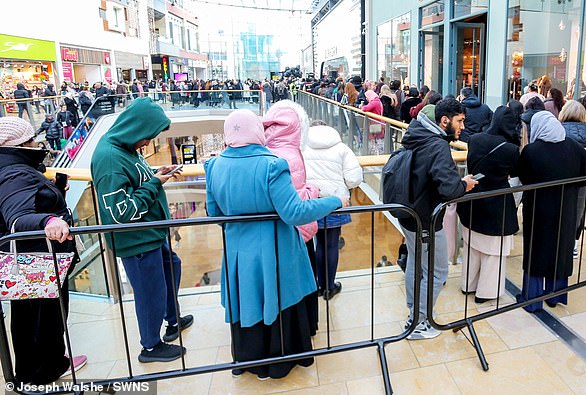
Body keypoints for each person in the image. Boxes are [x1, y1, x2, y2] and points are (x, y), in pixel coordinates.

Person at [204, 109, 347, 380]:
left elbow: (215, 215)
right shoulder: (272, 165)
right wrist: (335, 201)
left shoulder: (215, 166)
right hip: (275, 249)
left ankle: (251, 360)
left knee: (249, 300)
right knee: (279, 298)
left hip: (237, 252)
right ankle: (281, 362)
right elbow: (294, 212)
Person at [90, 98, 193, 363]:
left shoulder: (126, 149)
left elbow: (136, 180)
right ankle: (150, 346)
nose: (148, 143)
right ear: (136, 129)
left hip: (151, 234)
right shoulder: (110, 158)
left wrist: (158, 173)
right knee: (150, 293)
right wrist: (154, 183)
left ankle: (172, 320)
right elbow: (120, 212)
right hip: (136, 240)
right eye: (147, 137)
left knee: (170, 270)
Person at [0, 117, 87, 384]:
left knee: (34, 317)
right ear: (21, 145)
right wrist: (49, 220)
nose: (38, 143)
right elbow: (17, 217)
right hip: (36, 260)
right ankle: (40, 374)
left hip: (32, 260)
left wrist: (55, 190)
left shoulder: (12, 168)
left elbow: (28, 199)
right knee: (42, 319)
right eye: (32, 140)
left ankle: (44, 366)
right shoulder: (15, 172)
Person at [400, 99, 478, 339]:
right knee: (437, 272)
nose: (463, 126)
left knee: (416, 265)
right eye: (460, 121)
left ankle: (415, 315)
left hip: (411, 215)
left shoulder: (416, 136)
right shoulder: (437, 146)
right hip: (427, 220)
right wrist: (463, 184)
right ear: (444, 121)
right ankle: (419, 323)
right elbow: (448, 188)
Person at [517, 111, 586, 312]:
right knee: (560, 249)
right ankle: (555, 296)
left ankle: (532, 299)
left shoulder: (531, 151)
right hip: (566, 208)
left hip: (539, 209)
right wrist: (576, 184)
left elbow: (524, 178)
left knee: (536, 250)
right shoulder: (572, 146)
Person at [263, 100, 321, 333]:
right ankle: (303, 329)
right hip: (297, 232)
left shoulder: (265, 151)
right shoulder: (290, 155)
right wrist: (314, 192)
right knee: (301, 283)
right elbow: (295, 201)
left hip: (271, 234)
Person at [457, 107, 521, 303]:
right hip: (497, 202)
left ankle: (468, 285)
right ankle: (486, 293)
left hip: (473, 197)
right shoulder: (510, 149)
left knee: (472, 248)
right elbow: (516, 172)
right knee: (493, 253)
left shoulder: (475, 139)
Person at [303, 123, 363, 300]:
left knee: (314, 244)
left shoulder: (302, 147)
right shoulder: (342, 148)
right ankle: (329, 287)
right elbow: (354, 179)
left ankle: (314, 286)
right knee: (330, 245)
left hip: (310, 202)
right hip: (335, 202)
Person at [559, 100, 586, 256]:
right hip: (581, 180)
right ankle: (573, 245)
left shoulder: (560, 130)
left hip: (561, 178)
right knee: (578, 210)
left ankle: (560, 244)